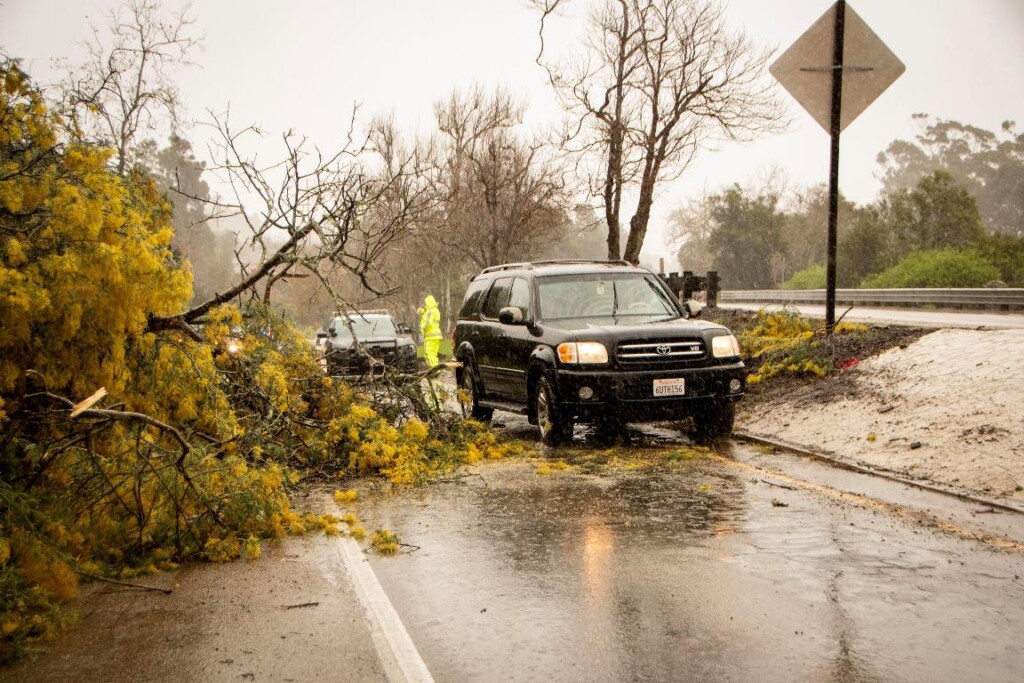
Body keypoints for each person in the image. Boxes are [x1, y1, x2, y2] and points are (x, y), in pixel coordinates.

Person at [418, 294, 442, 368]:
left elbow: (427, 323)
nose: (425, 305)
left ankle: (434, 370)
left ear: (428, 303)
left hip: (430, 337)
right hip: (437, 336)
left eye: (426, 303)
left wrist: (422, 331)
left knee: (428, 354)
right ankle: (437, 369)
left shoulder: (430, 312)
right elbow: (427, 312)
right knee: (433, 355)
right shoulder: (436, 311)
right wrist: (422, 311)